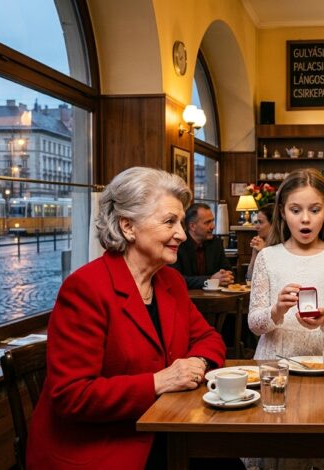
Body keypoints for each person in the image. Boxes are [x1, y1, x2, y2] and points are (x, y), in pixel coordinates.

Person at [26, 167, 229, 470]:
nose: (182, 234)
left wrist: (197, 363)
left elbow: (208, 338)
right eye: (169, 222)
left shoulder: (169, 282)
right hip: (100, 446)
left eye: (181, 222)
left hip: (162, 426)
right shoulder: (86, 288)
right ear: (128, 226)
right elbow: (72, 395)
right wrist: (159, 382)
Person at [248, 168, 324, 360]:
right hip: (276, 361)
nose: (305, 218)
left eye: (315, 210)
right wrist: (276, 311)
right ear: (283, 211)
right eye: (295, 210)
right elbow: (254, 324)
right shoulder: (267, 257)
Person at [172, 202, 234, 289]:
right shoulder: (177, 245)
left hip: (214, 298)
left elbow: (228, 270)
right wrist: (210, 280)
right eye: (207, 222)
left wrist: (226, 276)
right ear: (192, 226)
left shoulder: (216, 243)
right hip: (187, 297)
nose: (213, 226)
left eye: (212, 221)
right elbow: (175, 279)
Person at [245, 203, 273, 282]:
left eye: (260, 222)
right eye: (256, 222)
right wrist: (255, 254)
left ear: (274, 224)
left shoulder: (286, 246)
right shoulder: (259, 242)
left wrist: (264, 251)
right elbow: (249, 278)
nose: (256, 227)